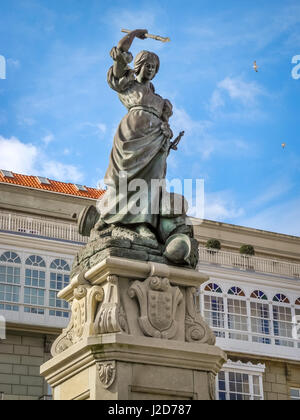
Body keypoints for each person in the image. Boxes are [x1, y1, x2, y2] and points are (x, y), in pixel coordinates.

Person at [98, 29, 175, 239]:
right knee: (124, 178)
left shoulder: (161, 101)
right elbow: (121, 53)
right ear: (138, 65)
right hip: (131, 135)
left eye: (153, 67)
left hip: (156, 142)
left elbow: (165, 123)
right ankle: (112, 217)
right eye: (147, 65)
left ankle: (143, 224)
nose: (150, 69)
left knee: (152, 181)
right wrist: (134, 34)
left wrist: (167, 133)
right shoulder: (127, 83)